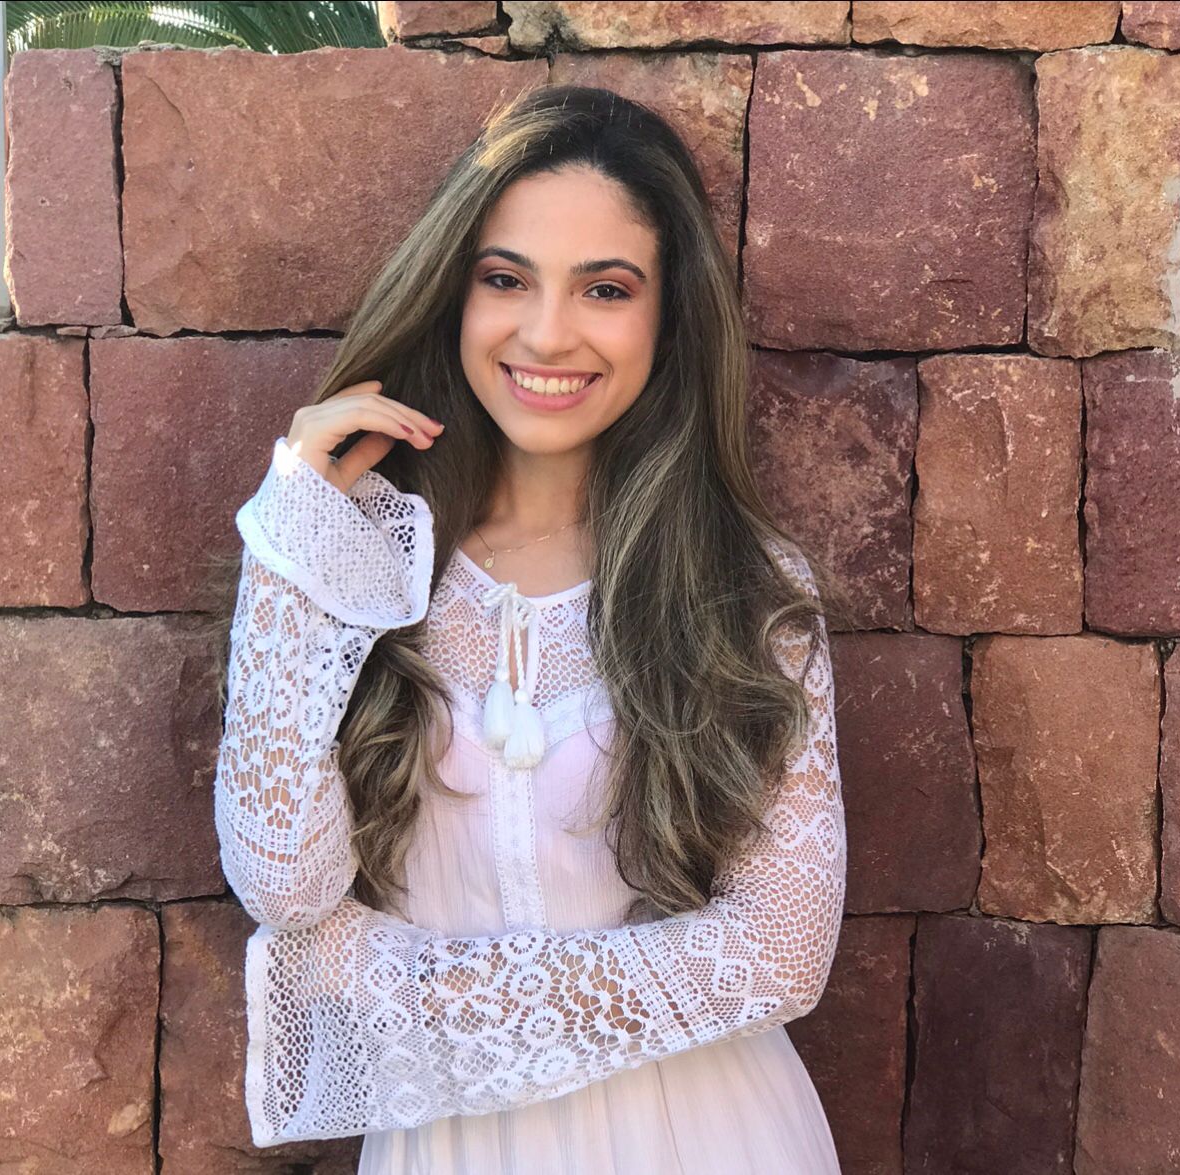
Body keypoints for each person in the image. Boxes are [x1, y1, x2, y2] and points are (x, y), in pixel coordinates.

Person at [208, 83, 848, 1174]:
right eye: (505, 278)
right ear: (454, 293)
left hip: (710, 1139)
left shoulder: (741, 586)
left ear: (666, 317)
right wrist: (292, 542)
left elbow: (781, 952)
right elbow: (284, 886)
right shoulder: (354, 560)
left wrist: (391, 984)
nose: (547, 332)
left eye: (604, 288)